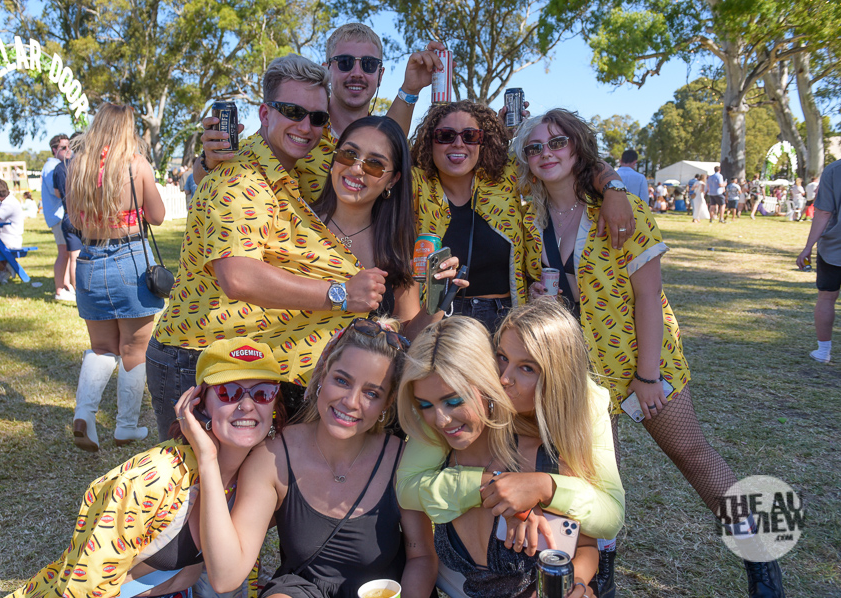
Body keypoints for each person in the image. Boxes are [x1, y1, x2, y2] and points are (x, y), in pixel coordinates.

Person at [515, 109, 785, 598]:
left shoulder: (620, 209)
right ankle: (601, 575)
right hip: (581, 373)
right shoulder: (531, 222)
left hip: (643, 360)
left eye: (557, 142)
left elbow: (648, 297)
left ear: (578, 147)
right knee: (596, 480)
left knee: (693, 455)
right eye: (535, 148)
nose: (546, 154)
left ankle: (762, 557)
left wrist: (646, 376)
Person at [147, 55, 385, 442]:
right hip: (197, 359)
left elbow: (385, 147)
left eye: (317, 118)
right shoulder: (239, 178)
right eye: (292, 112)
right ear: (264, 113)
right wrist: (341, 294)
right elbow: (238, 276)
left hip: (243, 358)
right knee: (198, 475)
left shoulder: (293, 167)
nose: (305, 127)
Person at [5, 337, 287, 598]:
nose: (247, 405)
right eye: (228, 392)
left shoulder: (257, 477)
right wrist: (206, 457)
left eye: (263, 393)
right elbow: (85, 586)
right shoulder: (154, 478)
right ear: (198, 403)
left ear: (275, 404)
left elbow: (231, 575)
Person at [188, 317, 438, 598]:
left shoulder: (400, 461)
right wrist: (208, 460)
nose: (351, 402)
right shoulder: (273, 456)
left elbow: (422, 556)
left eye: (371, 393)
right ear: (322, 376)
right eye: (342, 380)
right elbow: (225, 577)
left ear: (387, 403)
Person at [396, 300, 625, 598]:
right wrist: (495, 488)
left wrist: (543, 487)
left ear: (557, 379)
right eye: (502, 357)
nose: (503, 378)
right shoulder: (447, 407)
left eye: (527, 367)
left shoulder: (583, 408)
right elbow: (408, 488)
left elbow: (606, 519)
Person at [409, 100, 633, 332]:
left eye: (470, 136)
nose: (458, 143)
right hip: (438, 319)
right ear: (429, 141)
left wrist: (614, 189)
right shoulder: (415, 183)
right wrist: (409, 92)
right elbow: (388, 148)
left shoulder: (505, 176)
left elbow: (581, 163)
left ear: (483, 142)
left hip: (503, 320)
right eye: (445, 135)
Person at [193, 23, 444, 200]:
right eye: (345, 62)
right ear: (327, 69)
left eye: (368, 64)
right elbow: (214, 174)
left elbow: (389, 143)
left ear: (380, 75)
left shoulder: (378, 137)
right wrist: (209, 160)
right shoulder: (297, 128)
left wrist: (410, 89)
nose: (357, 73)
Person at [67, 102, 166, 452]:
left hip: (89, 261)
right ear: (127, 128)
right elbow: (158, 216)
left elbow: (74, 221)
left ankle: (84, 414)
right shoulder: (136, 165)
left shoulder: (77, 165)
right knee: (134, 349)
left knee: (101, 348)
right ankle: (126, 426)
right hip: (130, 260)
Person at [310, 115, 464, 337]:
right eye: (349, 154)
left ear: (392, 180)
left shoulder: (398, 245)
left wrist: (439, 297)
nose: (356, 168)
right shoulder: (295, 220)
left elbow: (407, 337)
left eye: (375, 164)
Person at [797, 159, 840, 364]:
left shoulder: (834, 170)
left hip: (835, 246)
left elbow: (823, 212)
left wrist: (808, 247)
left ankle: (823, 351)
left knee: (826, 297)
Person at [42, 134, 77, 301]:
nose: (68, 150)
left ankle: (65, 286)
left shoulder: (55, 165)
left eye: (69, 146)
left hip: (59, 215)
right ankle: (60, 290)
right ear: (54, 149)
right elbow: (57, 191)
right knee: (64, 253)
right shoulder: (53, 166)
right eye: (63, 147)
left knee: (67, 254)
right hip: (58, 215)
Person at [52, 132, 84, 286]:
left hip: (68, 215)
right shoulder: (85, 166)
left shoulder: (60, 168)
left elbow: (57, 193)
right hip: (83, 215)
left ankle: (77, 292)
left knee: (74, 258)